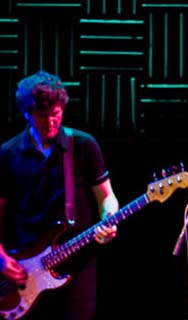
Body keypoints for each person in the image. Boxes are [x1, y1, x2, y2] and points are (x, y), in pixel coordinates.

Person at [0, 70, 119, 320]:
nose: (52, 122)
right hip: (25, 269)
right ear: (26, 114)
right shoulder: (8, 153)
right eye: (43, 117)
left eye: (56, 114)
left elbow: (106, 196)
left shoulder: (83, 145)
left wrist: (110, 216)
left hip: (76, 268)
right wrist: (1, 257)